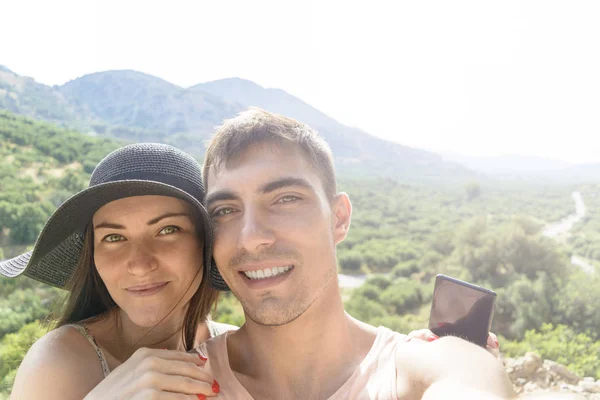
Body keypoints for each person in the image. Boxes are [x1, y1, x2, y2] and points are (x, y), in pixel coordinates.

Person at [197, 108, 520, 399]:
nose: (251, 238)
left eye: (285, 199)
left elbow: (469, 382)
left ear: (339, 218)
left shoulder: (419, 370)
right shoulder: (179, 382)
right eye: (225, 210)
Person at [2, 143, 234, 399]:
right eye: (114, 237)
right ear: (92, 254)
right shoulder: (57, 363)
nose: (139, 265)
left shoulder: (241, 352)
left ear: (205, 242)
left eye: (167, 230)